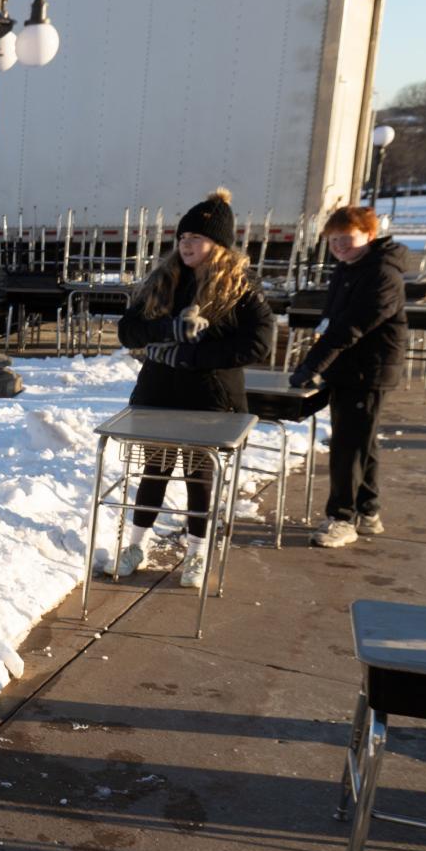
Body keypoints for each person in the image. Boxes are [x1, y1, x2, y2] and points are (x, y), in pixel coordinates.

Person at [114, 188, 274, 587]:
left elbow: (259, 342)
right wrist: (167, 330)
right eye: (182, 238)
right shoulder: (162, 280)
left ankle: (197, 553)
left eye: (195, 239)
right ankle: (136, 544)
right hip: (159, 396)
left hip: (211, 402)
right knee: (155, 469)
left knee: (199, 477)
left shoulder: (241, 287)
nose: (186, 245)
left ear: (218, 245)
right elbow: (127, 329)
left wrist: (193, 355)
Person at [289, 205, 409, 548]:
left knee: (348, 447)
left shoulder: (382, 274)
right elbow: (332, 321)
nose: (340, 245)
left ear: (369, 236)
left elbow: (349, 328)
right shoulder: (346, 269)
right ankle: (368, 511)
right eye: (333, 239)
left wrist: (312, 366)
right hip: (348, 369)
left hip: (368, 372)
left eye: (348, 238)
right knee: (361, 442)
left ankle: (341, 518)